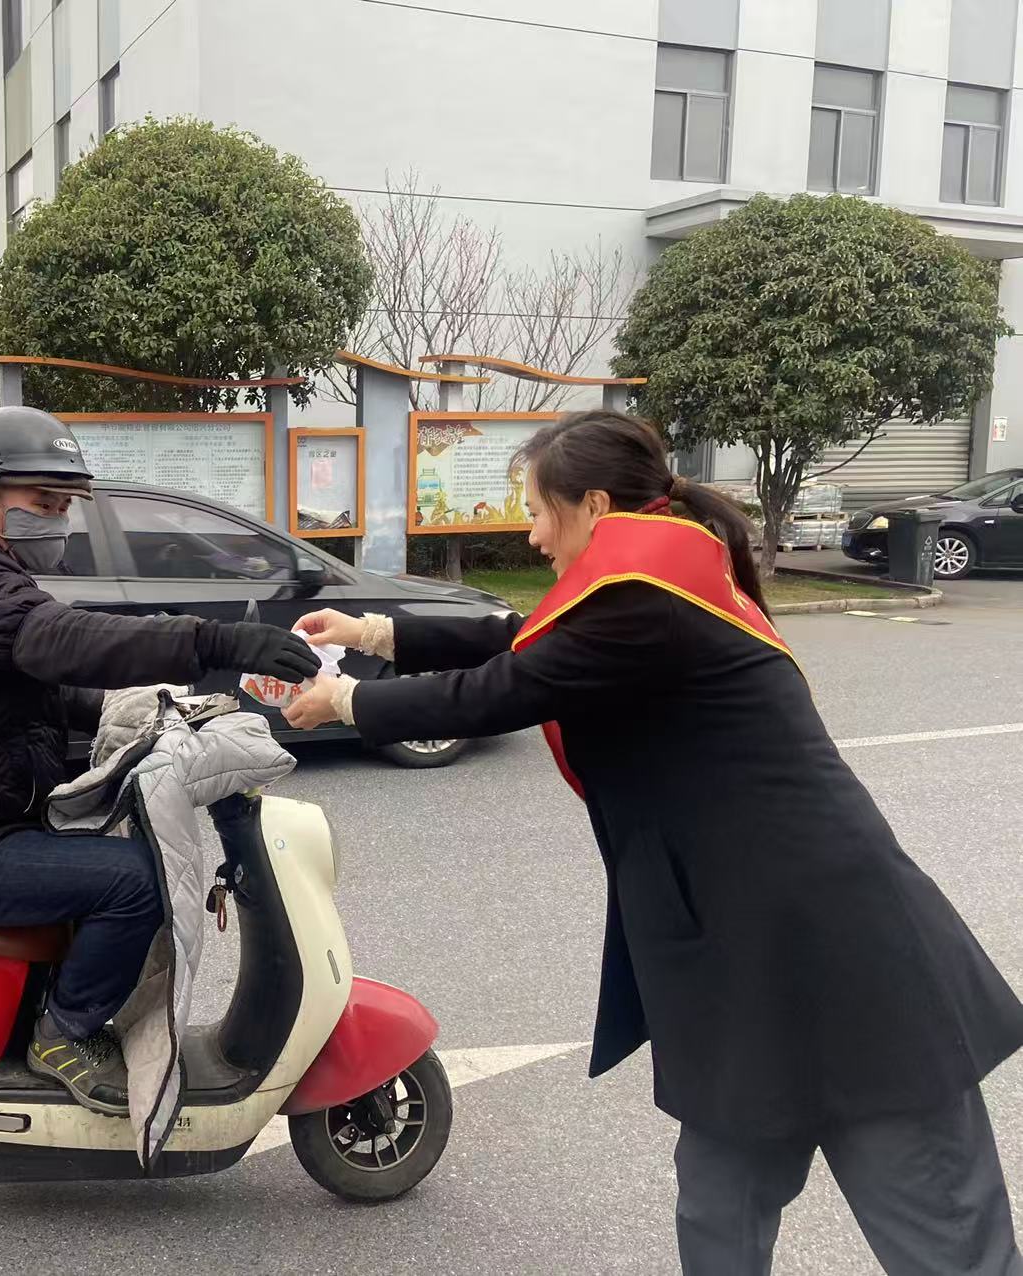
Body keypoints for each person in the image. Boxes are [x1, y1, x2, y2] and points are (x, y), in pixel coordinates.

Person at [286, 409, 1023, 1275]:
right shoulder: (657, 578)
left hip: (838, 954)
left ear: (595, 506)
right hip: (741, 951)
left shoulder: (646, 600)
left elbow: (506, 687)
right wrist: (372, 633)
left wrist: (346, 702)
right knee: (720, 1204)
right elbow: (527, 640)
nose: (533, 535)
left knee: (940, 1228)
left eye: (539, 510)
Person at [0, 406, 318, 1116]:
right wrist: (215, 642)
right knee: (139, 880)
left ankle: (55, 1006)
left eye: (64, 505)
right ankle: (64, 1034)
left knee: (113, 851)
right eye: (42, 503)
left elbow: (35, 685)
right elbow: (61, 639)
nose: (58, 521)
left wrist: (137, 711)